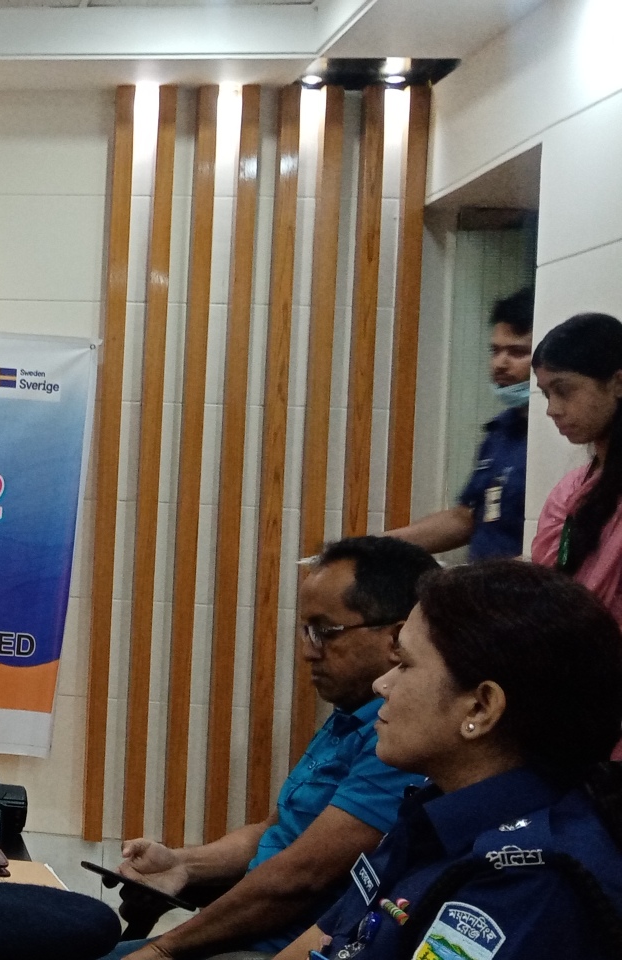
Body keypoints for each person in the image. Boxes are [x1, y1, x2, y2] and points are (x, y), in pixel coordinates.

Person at [104, 537, 436, 959]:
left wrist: (164, 950)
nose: (308, 651)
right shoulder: (350, 714)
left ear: (396, 638)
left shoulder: (398, 738)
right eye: (306, 630)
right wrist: (184, 864)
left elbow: (302, 876)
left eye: (325, 632)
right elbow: (274, 831)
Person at [274, 560, 622, 960]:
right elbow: (331, 935)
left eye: (405, 665)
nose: (381, 684)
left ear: (480, 707)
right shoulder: (436, 807)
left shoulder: (526, 881)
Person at [388, 288, 532, 559]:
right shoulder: (500, 432)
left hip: (526, 582)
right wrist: (371, 547)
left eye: (517, 352)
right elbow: (466, 517)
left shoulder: (560, 436)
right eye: (495, 350)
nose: (500, 363)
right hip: (484, 581)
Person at [528, 312, 622, 624]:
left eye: (564, 390)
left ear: (618, 383)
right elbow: (551, 587)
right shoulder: (570, 492)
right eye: (547, 393)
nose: (552, 409)